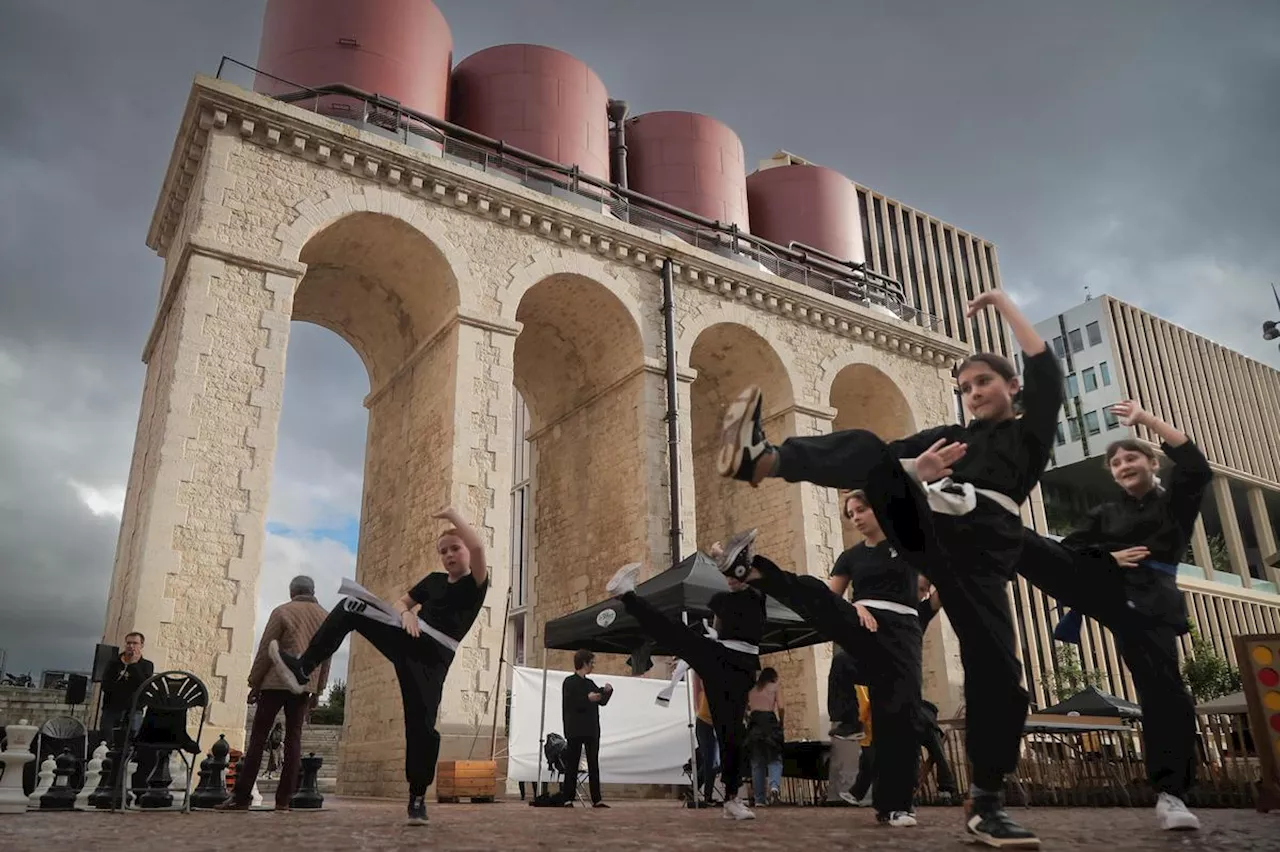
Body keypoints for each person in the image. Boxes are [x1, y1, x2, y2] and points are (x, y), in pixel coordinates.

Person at [714, 290, 1061, 848]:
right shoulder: (951, 440)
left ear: (1012, 387)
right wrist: (914, 470)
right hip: (930, 533)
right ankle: (765, 459)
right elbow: (885, 459)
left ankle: (987, 802)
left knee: (1000, 677)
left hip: (981, 556)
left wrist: (1003, 304)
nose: (973, 393)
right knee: (870, 449)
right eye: (965, 386)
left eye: (984, 383)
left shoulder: (1028, 434)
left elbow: (1048, 370)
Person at [1012, 400, 1210, 832]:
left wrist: (1145, 421)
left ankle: (1172, 794)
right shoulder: (1107, 513)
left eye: (1130, 456)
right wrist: (1109, 555)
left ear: (1151, 462)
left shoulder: (1175, 500)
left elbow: (1196, 465)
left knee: (1164, 690)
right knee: (1031, 543)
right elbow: (1071, 549)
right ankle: (976, 528)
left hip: (1150, 601)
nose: (1122, 464)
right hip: (1104, 586)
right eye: (1115, 461)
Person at [268, 507, 488, 827]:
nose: (449, 555)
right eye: (443, 551)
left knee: (421, 726)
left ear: (466, 551)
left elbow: (480, 548)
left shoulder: (476, 584)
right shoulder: (433, 581)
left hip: (433, 659)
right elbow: (401, 603)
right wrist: (407, 614)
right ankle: (304, 667)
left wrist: (454, 518)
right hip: (406, 636)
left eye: (455, 548)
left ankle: (416, 797)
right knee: (351, 604)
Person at [711, 500, 925, 829]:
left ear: (878, 510)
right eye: (850, 513)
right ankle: (750, 570)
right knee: (813, 591)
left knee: (900, 715)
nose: (855, 518)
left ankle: (895, 805)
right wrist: (854, 606)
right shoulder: (851, 557)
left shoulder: (907, 543)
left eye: (861, 510)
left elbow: (929, 578)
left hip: (903, 634)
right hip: (863, 622)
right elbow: (829, 596)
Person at [604, 560, 764, 821]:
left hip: (731, 664)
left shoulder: (750, 598)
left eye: (734, 575)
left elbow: (748, 586)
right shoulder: (737, 600)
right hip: (727, 662)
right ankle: (733, 798)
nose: (731, 580)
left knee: (730, 730)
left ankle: (732, 798)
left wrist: (722, 558)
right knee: (731, 730)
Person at [218, 575, 330, 811]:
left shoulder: (282, 612)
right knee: (294, 740)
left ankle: (241, 797)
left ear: (292, 592)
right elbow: (326, 658)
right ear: (312, 590)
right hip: (303, 686)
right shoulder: (325, 617)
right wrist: (318, 691)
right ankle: (284, 800)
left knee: (258, 739)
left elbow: (266, 649)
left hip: (275, 682)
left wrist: (254, 682)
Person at [560, 649, 613, 808]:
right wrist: (587, 698)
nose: (593, 666)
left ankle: (597, 799)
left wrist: (607, 692)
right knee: (572, 764)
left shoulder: (590, 683)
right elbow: (571, 704)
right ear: (584, 663)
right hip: (575, 729)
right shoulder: (569, 682)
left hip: (591, 730)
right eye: (591, 663)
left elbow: (601, 701)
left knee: (593, 764)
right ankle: (567, 798)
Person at [745, 667, 785, 807]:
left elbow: (745, 707)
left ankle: (759, 799)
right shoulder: (775, 687)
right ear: (773, 677)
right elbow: (781, 706)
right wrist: (781, 721)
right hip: (769, 722)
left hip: (755, 723)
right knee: (775, 758)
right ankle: (774, 787)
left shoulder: (752, 689)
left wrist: (748, 718)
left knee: (757, 763)